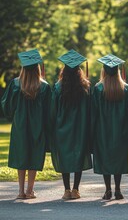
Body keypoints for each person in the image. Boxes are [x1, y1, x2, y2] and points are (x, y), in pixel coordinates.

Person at [1, 49, 51, 199]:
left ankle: (20, 191)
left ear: (23, 67)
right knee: (34, 154)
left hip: (20, 125)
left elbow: (6, 106)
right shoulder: (44, 86)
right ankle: (30, 190)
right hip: (38, 126)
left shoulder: (16, 84)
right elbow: (49, 110)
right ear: (37, 68)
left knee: (22, 154)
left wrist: (12, 114)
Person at [50, 49, 92, 200]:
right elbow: (89, 110)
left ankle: (66, 190)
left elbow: (53, 110)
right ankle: (76, 189)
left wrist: (52, 126)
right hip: (80, 128)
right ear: (79, 70)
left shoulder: (57, 87)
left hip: (62, 128)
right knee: (78, 156)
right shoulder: (85, 87)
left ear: (64, 70)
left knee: (65, 157)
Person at [91, 54, 128, 200]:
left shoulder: (98, 88)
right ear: (118, 71)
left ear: (103, 70)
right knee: (118, 159)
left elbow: (93, 113)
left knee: (106, 159)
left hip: (102, 131)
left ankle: (108, 190)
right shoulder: (125, 89)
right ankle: (118, 189)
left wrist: (91, 133)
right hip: (121, 131)